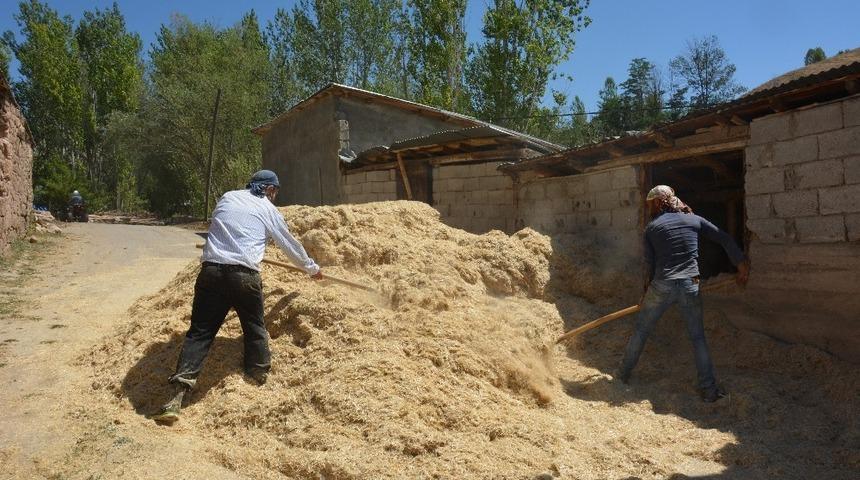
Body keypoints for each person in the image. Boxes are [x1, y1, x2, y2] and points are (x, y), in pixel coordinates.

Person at [151, 170, 323, 423]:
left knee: (200, 332)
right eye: (275, 192)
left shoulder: (228, 197)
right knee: (254, 327)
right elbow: (288, 244)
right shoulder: (268, 208)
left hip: (210, 272)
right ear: (270, 190)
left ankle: (177, 396)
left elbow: (228, 227)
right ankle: (258, 375)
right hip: (244, 276)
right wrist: (312, 268)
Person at [615, 185, 750, 403]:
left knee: (641, 330)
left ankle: (621, 376)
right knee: (697, 338)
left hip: (662, 285)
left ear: (658, 203)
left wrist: (645, 294)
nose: (649, 208)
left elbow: (650, 265)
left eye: (650, 204)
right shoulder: (694, 220)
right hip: (690, 284)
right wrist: (741, 265)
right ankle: (709, 390)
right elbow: (723, 238)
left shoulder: (652, 228)